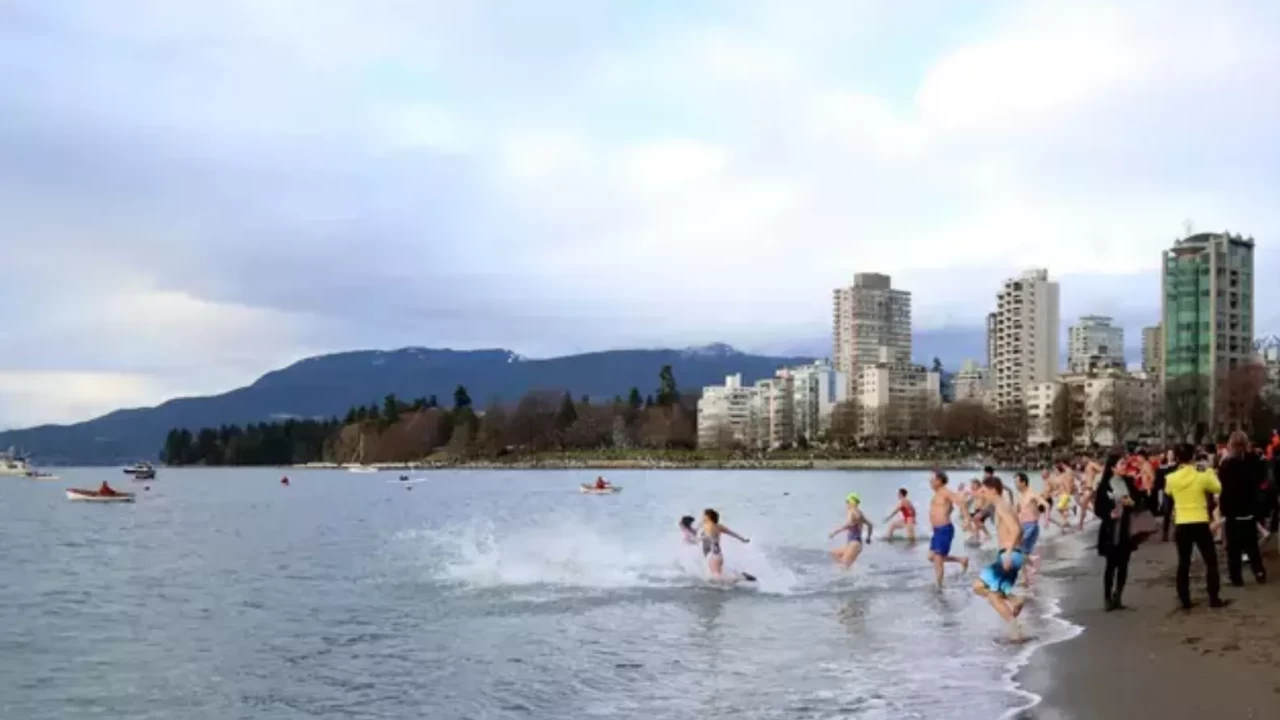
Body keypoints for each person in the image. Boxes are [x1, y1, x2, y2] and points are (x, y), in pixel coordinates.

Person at [1166, 443, 1227, 610]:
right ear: (1193, 457)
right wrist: (1209, 471)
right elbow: (1217, 487)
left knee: (1183, 563)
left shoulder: (1171, 478)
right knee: (1210, 561)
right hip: (1200, 521)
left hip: (1181, 523)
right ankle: (1213, 598)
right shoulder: (1202, 476)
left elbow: (1168, 492)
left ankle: (1184, 599)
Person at [972, 477, 1027, 629]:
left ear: (993, 490)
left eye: (984, 491)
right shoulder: (1002, 505)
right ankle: (1014, 605)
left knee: (986, 591)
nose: (982, 495)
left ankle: (1016, 627)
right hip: (1010, 555)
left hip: (1008, 556)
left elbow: (1016, 530)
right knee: (986, 590)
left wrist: (1009, 553)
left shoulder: (1002, 506)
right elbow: (1020, 530)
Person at [1218, 431, 1267, 586]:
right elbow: (1261, 481)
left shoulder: (1226, 464)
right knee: (1252, 544)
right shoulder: (1255, 461)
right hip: (1249, 508)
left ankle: (1236, 577)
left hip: (1232, 510)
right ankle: (1259, 571)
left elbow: (1222, 486)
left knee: (1233, 548)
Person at [1094, 454, 1140, 611]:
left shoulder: (1129, 482)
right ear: (1113, 467)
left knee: (1124, 564)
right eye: (1121, 464)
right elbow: (1098, 509)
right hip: (1110, 529)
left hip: (1126, 528)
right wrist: (1109, 514)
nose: (1124, 467)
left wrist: (1131, 503)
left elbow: (1139, 501)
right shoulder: (1105, 485)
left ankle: (1118, 596)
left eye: (1125, 464)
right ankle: (1107, 598)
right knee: (1110, 565)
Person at [927, 471, 970, 588]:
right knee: (931, 557)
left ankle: (939, 587)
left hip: (944, 529)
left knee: (937, 558)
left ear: (940, 481)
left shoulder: (945, 492)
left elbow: (960, 501)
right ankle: (961, 559)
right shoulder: (937, 494)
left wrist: (967, 519)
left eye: (933, 479)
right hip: (937, 530)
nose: (930, 481)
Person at [699, 508, 755, 582]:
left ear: (708, 517)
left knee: (716, 578)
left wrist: (695, 539)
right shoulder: (718, 526)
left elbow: (706, 537)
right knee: (718, 579)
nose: (702, 517)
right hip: (718, 555)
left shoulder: (709, 527)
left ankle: (742, 577)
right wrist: (742, 539)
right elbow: (732, 533)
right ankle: (740, 576)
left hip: (713, 555)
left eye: (704, 516)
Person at [1014, 472, 1047, 587]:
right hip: (1022, 526)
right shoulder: (1020, 495)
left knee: (1019, 551)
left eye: (1017, 482)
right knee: (1023, 553)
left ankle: (1025, 577)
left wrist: (1045, 519)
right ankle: (1027, 574)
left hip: (1031, 526)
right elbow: (1017, 511)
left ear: (1023, 482)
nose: (1016, 484)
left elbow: (1044, 504)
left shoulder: (1031, 494)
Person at [828, 493, 872, 568]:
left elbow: (849, 524)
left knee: (844, 565)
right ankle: (851, 571)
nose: (846, 505)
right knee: (834, 553)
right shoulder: (859, 512)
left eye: (847, 502)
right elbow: (870, 525)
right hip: (854, 543)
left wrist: (835, 532)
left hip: (854, 544)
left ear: (851, 502)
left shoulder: (852, 511)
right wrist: (868, 538)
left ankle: (850, 574)